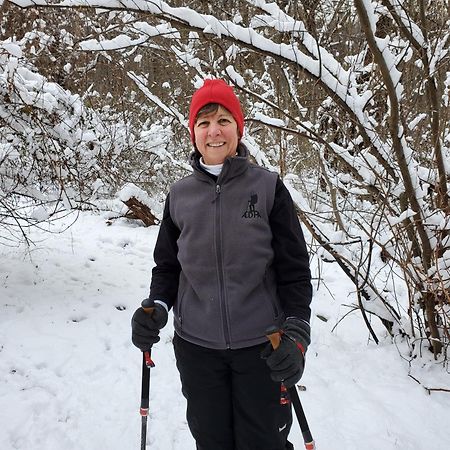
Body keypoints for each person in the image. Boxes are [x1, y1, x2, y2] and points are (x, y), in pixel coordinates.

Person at [131, 79, 312, 450]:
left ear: (238, 128)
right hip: (197, 351)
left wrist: (297, 333)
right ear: (193, 133)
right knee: (211, 442)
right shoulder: (179, 195)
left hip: (263, 348)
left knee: (264, 444)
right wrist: (156, 308)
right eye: (203, 122)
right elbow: (167, 267)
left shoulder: (268, 188)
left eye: (223, 120)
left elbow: (294, 270)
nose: (214, 130)